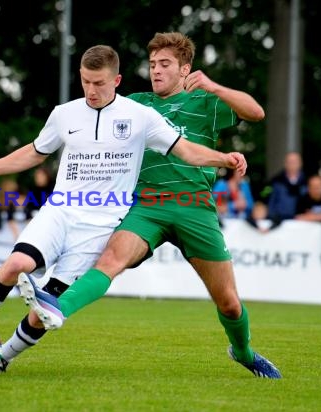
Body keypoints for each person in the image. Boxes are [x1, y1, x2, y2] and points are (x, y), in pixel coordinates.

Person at [0, 44, 246, 373]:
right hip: (60, 211)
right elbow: (34, 152)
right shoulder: (64, 113)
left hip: (101, 226)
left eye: (99, 83)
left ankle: (2, 359)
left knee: (45, 310)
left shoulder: (141, 116)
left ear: (117, 80)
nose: (91, 91)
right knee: (14, 265)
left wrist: (224, 159)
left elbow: (188, 151)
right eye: (85, 82)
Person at [20, 33, 281, 379]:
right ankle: (57, 307)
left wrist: (213, 86)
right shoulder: (136, 104)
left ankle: (244, 352)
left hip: (195, 208)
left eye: (165, 64)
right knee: (110, 260)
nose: (156, 70)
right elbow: (93, 118)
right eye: (153, 64)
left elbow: (257, 112)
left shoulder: (203, 100)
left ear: (185, 69)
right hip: (146, 206)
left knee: (229, 303)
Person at [267, 152, 307, 221]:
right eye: (290, 161)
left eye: (295, 161)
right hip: (279, 220)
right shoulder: (275, 181)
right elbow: (268, 199)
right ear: (285, 163)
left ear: (301, 163)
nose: (292, 164)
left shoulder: (308, 181)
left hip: (302, 221)